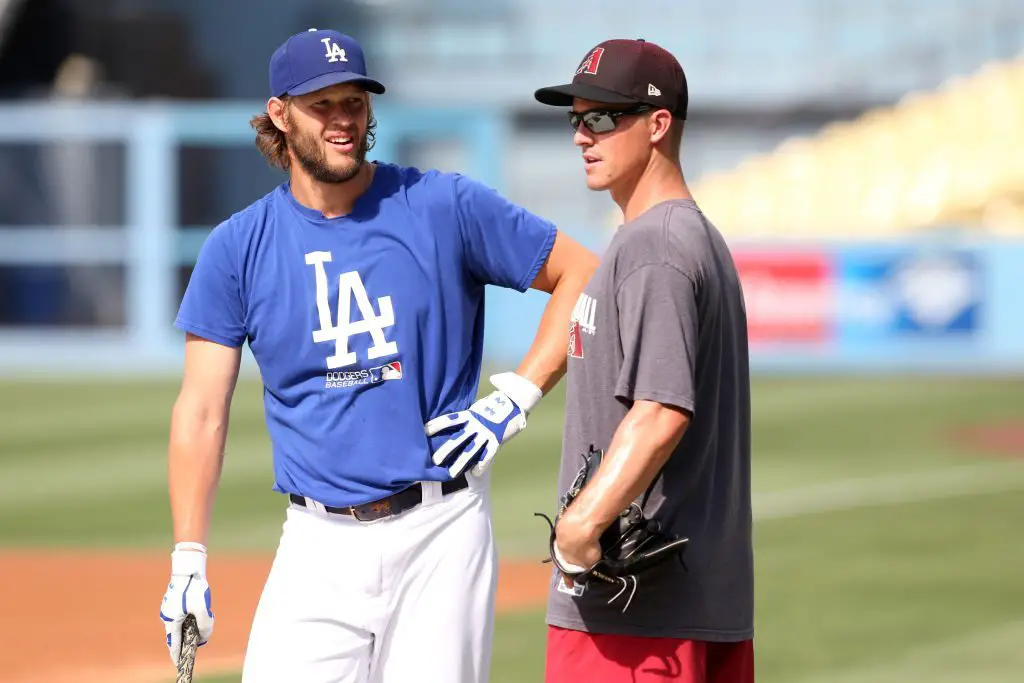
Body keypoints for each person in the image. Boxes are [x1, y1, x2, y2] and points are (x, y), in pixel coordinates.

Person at [158, 28, 598, 683]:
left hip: (441, 531)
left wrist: (517, 397)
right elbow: (200, 410)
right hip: (316, 543)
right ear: (280, 113)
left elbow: (583, 273)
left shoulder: (443, 204)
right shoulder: (237, 247)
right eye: (322, 105)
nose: (342, 120)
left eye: (353, 103)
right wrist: (187, 559)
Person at [532, 38, 755, 682]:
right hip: (684, 607)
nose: (582, 134)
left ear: (658, 125)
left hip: (636, 617)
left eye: (602, 117)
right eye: (576, 118)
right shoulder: (683, 236)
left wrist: (580, 526)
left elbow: (660, 410)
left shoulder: (657, 247)